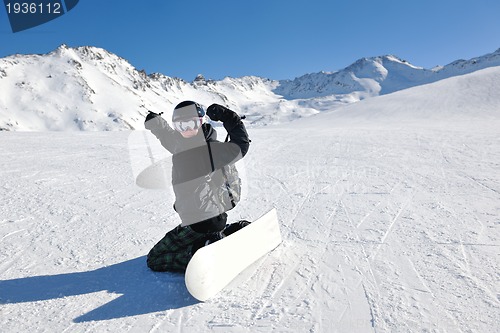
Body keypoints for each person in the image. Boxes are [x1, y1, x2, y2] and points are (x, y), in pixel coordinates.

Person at [144, 101, 251, 272]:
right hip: (205, 218)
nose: (186, 129)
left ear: (201, 121)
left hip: (201, 222)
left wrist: (227, 116)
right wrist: (157, 123)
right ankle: (228, 233)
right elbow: (166, 136)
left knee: (155, 259)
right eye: (181, 125)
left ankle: (199, 252)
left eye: (191, 123)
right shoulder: (180, 145)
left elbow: (241, 145)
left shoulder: (211, 150)